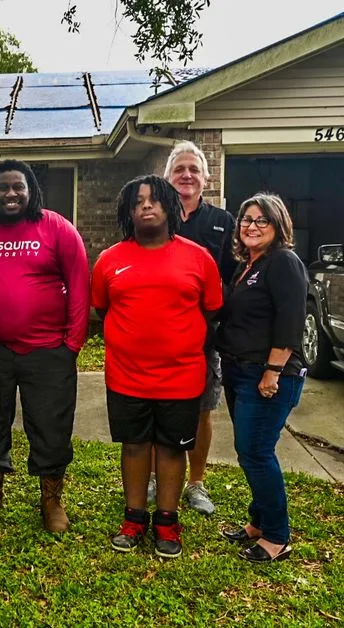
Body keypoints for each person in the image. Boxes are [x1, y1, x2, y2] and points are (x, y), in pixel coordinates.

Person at [92, 175, 223, 559]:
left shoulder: (198, 257)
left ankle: (167, 520)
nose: (145, 206)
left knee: (170, 449)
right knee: (134, 447)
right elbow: (103, 308)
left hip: (181, 379)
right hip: (126, 376)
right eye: (137, 202)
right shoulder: (110, 260)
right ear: (128, 212)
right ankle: (134, 518)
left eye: (153, 200)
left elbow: (212, 310)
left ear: (169, 206)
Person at [0, 159, 89, 533]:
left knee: (50, 427)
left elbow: (80, 285)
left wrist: (72, 345)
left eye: (19, 186)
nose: (11, 194)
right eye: (3, 187)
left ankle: (51, 502)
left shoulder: (57, 228)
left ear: (31, 190)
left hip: (49, 350)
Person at [146, 141, 237, 515]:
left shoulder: (223, 222)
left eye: (194, 169)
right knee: (154, 409)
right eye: (179, 168)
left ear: (206, 178)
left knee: (201, 411)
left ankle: (196, 483)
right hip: (155, 336)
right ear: (168, 177)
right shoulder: (151, 215)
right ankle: (152, 477)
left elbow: (232, 277)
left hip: (202, 339)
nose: (186, 174)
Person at [216, 193, 307, 563]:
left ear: (278, 225)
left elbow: (291, 319)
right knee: (248, 450)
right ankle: (258, 521)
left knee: (256, 452)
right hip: (240, 371)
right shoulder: (249, 265)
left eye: (261, 220)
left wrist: (272, 371)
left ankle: (277, 536)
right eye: (246, 219)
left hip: (268, 375)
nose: (252, 226)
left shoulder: (283, 262)